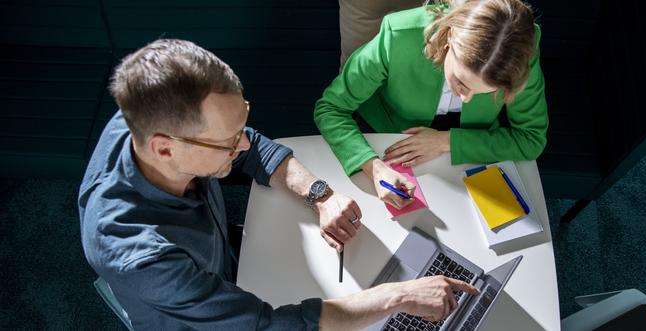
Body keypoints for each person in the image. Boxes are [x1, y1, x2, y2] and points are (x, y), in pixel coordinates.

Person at [78, 39, 478, 330]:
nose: (246, 142)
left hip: (222, 258)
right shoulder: (138, 254)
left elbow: (254, 149)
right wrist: (398, 297)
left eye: (242, 120)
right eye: (229, 141)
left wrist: (320, 195)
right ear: (164, 150)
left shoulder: (153, 115)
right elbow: (264, 327)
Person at [315, 0, 548, 209]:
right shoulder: (399, 35)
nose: (466, 98)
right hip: (391, 135)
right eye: (461, 82)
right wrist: (374, 168)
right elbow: (331, 108)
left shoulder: (519, 50)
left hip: (473, 146)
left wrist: (445, 141)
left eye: (486, 92)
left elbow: (531, 138)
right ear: (449, 39)